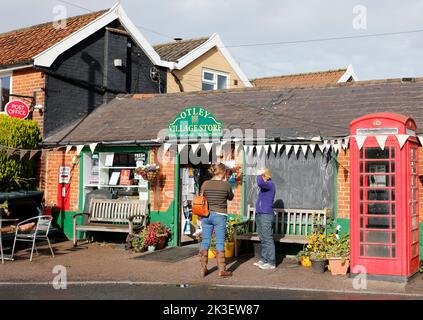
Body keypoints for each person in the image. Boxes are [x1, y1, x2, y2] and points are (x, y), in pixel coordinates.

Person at [199, 163, 234, 277]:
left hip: (206, 215)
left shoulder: (205, 184)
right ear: (223, 173)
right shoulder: (226, 185)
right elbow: (231, 197)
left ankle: (203, 269)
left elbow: (201, 197)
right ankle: (222, 270)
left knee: (205, 241)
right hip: (220, 216)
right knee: (219, 242)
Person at [254, 168, 276, 270]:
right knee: (262, 238)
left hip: (266, 215)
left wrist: (259, 174)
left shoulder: (270, 184)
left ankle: (271, 262)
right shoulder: (265, 187)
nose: (260, 178)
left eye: (262, 176)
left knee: (267, 238)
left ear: (265, 176)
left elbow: (259, 182)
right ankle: (264, 259)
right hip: (260, 214)